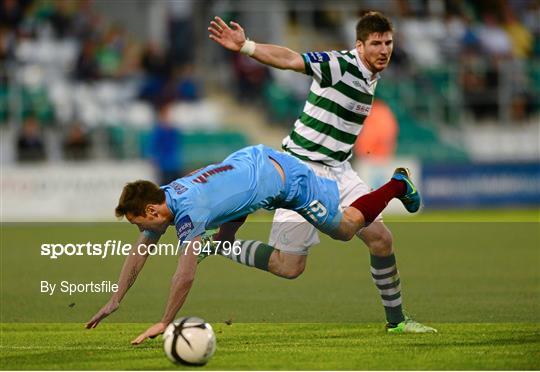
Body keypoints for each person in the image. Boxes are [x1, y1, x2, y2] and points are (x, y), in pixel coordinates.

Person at [208, 12, 436, 333]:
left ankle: (397, 322)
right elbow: (290, 59)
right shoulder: (341, 65)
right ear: (359, 45)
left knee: (382, 240)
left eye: (388, 43)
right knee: (289, 267)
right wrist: (246, 46)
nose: (384, 50)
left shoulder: (373, 73)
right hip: (302, 171)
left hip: (340, 169)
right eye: (376, 44)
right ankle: (217, 245)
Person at [85, 144, 421, 344]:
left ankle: (396, 184)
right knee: (239, 236)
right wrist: (116, 299)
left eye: (138, 222)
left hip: (289, 181)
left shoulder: (189, 211)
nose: (140, 230)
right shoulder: (167, 194)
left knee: (346, 229)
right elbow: (141, 249)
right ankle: (222, 242)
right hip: (251, 165)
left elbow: (184, 276)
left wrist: (165, 321)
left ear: (149, 210)